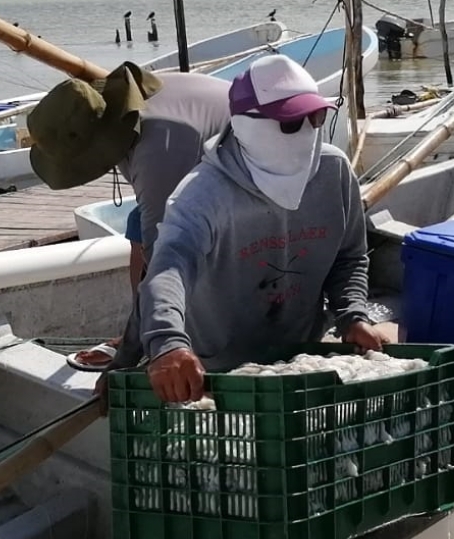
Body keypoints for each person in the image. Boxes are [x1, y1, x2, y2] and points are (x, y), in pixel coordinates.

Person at [129, 54, 390, 404]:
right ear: (246, 124)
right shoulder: (201, 195)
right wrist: (167, 343)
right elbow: (167, 270)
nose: (309, 132)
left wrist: (351, 314)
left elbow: (348, 257)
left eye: (316, 117)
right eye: (291, 122)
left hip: (301, 360)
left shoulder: (335, 171)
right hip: (218, 376)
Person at [24, 61, 231, 371]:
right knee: (139, 223)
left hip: (253, 178)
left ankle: (168, 336)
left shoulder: (157, 146)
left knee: (168, 249)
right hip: (200, 161)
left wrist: (126, 361)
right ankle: (147, 327)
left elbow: (162, 259)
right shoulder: (124, 111)